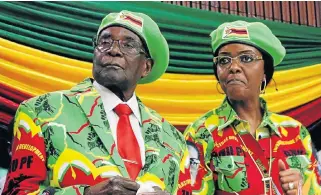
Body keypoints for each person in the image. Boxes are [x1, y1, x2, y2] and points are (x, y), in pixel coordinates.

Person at [3, 10, 188, 195]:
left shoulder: (173, 139)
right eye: (105, 42)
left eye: (129, 45)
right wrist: (87, 194)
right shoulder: (40, 112)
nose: (113, 50)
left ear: (146, 67)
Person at [183, 20, 321, 195]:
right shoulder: (201, 133)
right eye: (224, 60)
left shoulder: (295, 132)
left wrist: (302, 190)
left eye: (246, 58)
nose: (233, 67)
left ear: (265, 71)